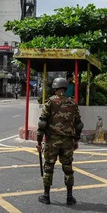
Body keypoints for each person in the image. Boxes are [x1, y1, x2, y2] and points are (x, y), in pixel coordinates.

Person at [36, 77, 83, 205]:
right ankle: (69, 197)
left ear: (55, 88)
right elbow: (79, 125)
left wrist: (39, 142)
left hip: (52, 141)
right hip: (68, 142)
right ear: (65, 88)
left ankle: (46, 196)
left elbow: (42, 124)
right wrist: (76, 140)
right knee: (68, 168)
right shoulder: (72, 103)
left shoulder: (50, 103)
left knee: (49, 168)